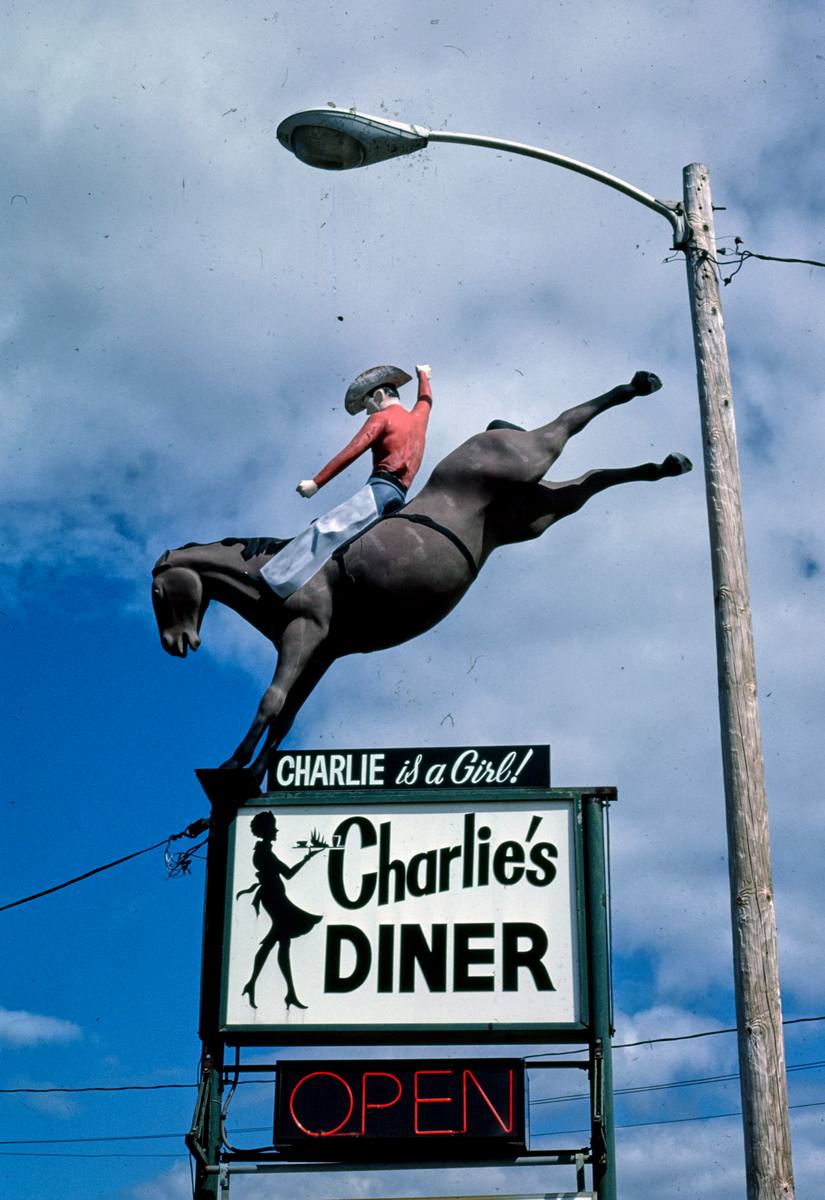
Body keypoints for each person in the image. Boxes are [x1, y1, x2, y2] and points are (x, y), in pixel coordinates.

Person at [260, 363, 433, 598]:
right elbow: (426, 400)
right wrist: (423, 376)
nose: (368, 411)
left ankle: (273, 581)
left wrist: (316, 482)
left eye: (368, 403)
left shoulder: (382, 418)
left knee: (326, 528)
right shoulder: (418, 418)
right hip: (400, 496)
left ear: (380, 395)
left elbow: (350, 452)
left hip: (379, 490)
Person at [236, 810, 324, 1010]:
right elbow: (289, 874)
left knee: (280, 943)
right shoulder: (264, 853)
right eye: (273, 827)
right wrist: (308, 857)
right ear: (265, 830)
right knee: (274, 940)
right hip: (274, 899)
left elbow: (283, 875)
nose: (276, 830)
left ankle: (286, 992)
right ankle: (260, 986)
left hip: (276, 897)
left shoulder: (263, 851)